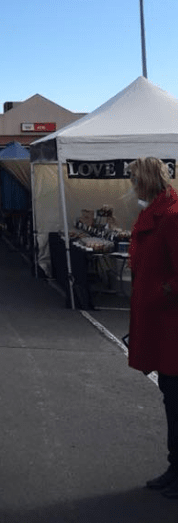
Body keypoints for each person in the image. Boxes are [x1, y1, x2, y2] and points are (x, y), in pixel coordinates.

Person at [126, 157, 178, 498]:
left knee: (176, 398)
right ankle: (175, 467)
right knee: (171, 398)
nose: (130, 187)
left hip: (170, 324)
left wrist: (160, 293)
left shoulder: (171, 219)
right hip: (161, 323)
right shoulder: (160, 215)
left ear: (144, 182)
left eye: (133, 180)